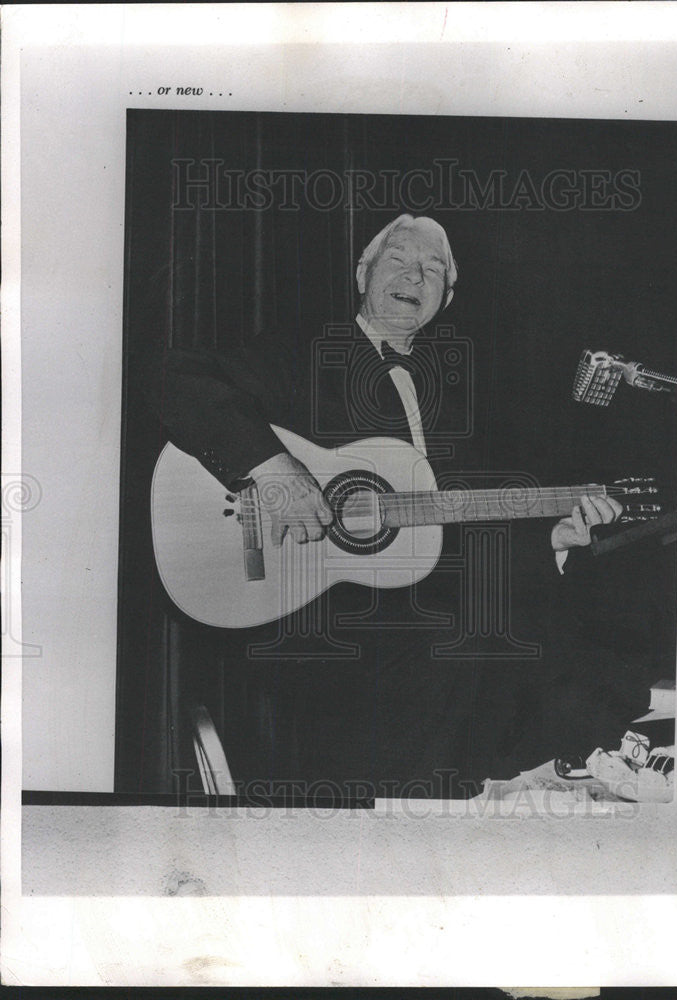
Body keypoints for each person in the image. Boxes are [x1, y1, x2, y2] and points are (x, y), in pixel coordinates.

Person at [144, 214, 628, 799]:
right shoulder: (300, 353)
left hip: (412, 612)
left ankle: (524, 798)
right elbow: (180, 377)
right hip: (303, 613)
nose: (414, 275)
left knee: (562, 632)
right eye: (398, 259)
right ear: (361, 274)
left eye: (433, 270)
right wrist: (273, 469)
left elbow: (452, 529)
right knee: (445, 645)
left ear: (445, 298)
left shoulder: (457, 395)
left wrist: (551, 539)